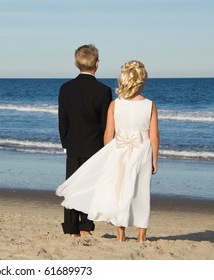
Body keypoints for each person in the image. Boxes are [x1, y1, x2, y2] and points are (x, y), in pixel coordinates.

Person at [56, 60, 160, 242]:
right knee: (142, 191)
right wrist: (154, 159)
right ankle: (142, 235)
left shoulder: (115, 104)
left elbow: (108, 133)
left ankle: (121, 233)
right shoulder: (150, 105)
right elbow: (154, 136)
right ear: (142, 81)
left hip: (119, 150)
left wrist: (107, 154)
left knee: (120, 191)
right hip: (142, 151)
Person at [58, 44, 112, 237]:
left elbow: (62, 119)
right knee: (90, 186)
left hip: (73, 143)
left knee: (72, 185)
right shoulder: (103, 91)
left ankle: (71, 228)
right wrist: (108, 147)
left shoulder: (65, 89)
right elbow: (106, 123)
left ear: (76, 63)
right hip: (95, 146)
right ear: (96, 64)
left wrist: (65, 142)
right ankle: (85, 227)